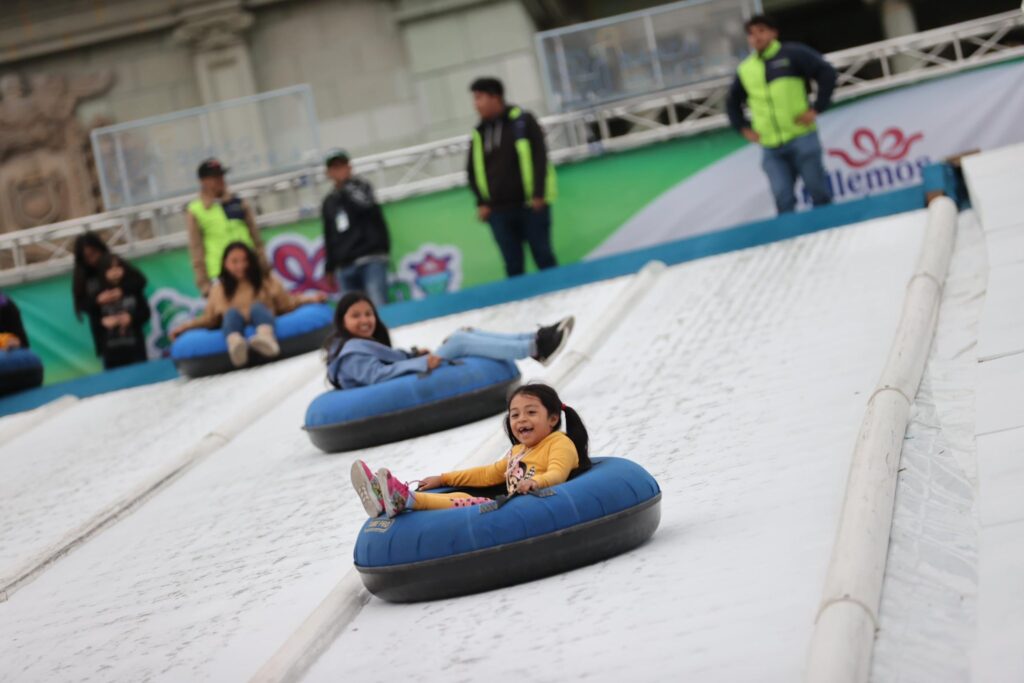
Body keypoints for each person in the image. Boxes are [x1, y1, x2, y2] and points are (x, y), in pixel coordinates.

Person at [351, 382, 590, 518]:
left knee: (469, 502)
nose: (521, 420)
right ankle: (382, 498)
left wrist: (536, 483)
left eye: (531, 412)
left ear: (552, 419)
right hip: (513, 506)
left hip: (535, 507)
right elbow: (487, 475)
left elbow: (558, 473)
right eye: (515, 415)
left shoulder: (559, 443)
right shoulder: (519, 451)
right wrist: (443, 478)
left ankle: (404, 498)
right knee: (465, 497)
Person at [324, 292, 574, 389]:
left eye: (368, 314)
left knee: (463, 333)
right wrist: (422, 364)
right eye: (355, 316)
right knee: (460, 341)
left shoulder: (360, 346)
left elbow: (385, 363)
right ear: (342, 321)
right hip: (410, 377)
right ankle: (533, 347)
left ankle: (534, 341)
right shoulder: (350, 354)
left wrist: (414, 354)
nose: (365, 320)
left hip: (412, 369)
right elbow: (376, 376)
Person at [726, 14, 837, 214]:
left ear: (773, 33)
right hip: (771, 146)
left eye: (761, 31)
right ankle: (793, 243)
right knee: (782, 198)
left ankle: (834, 235)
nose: (756, 37)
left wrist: (818, 107)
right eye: (751, 34)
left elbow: (827, 72)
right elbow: (732, 102)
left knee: (818, 191)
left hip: (801, 136)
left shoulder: (793, 54)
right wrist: (743, 128)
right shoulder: (746, 69)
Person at [170, 242, 326, 367]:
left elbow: (286, 303)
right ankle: (236, 345)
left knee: (257, 308)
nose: (241, 266)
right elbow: (209, 319)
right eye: (235, 262)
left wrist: (311, 299)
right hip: (233, 324)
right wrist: (184, 328)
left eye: (245, 261)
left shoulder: (265, 282)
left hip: (262, 319)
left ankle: (265, 339)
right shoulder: (219, 290)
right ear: (225, 264)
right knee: (231, 314)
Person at [466, 77, 558, 277]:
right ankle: (522, 308)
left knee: (544, 257)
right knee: (513, 266)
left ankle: (565, 301)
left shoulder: (523, 121)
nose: (476, 105)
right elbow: (472, 171)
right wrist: (482, 202)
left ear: (495, 97)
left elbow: (539, 157)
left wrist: (538, 194)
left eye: (479, 98)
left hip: (530, 205)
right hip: (498, 212)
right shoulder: (479, 132)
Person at [185, 158, 267, 297]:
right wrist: (204, 286)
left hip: (249, 269)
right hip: (220, 275)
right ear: (202, 181)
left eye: (221, 175)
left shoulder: (238, 202)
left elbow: (256, 239)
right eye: (214, 177)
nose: (220, 180)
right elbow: (196, 251)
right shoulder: (196, 210)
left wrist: (264, 267)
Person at [321, 150, 391, 308]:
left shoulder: (363, 187)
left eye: (342, 166)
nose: (339, 171)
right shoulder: (329, 201)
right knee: (352, 311)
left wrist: (347, 187)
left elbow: (366, 206)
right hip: (345, 265)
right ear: (328, 173)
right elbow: (328, 235)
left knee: (378, 305)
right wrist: (330, 267)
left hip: (370, 258)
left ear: (350, 167)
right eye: (334, 168)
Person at [71, 232, 148, 361]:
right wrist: (98, 300)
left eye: (94, 254)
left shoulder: (118, 267)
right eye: (87, 257)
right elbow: (82, 304)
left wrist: (122, 291)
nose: (93, 260)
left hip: (134, 340)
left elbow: (140, 282)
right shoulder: (84, 278)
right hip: (107, 343)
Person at [95, 254, 151, 369]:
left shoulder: (133, 289)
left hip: (135, 347)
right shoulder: (100, 295)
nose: (115, 272)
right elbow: (94, 320)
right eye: (110, 269)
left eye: (118, 267)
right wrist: (103, 322)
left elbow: (145, 313)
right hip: (111, 351)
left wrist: (131, 318)